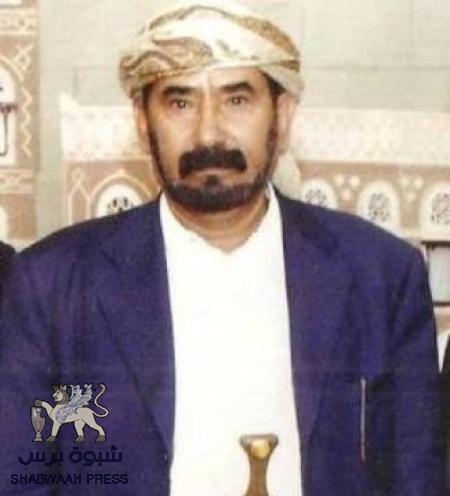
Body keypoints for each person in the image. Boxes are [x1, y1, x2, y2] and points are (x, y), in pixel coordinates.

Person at [0, 1, 444, 495]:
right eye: (180, 103)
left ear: (282, 115)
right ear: (143, 122)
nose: (208, 133)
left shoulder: (380, 275)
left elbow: (416, 480)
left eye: (237, 100)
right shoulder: (52, 285)